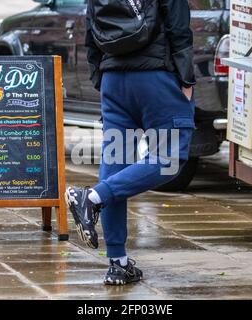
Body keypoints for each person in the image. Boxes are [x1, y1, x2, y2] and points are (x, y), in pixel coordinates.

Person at [66, 0, 196, 286]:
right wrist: (186, 79)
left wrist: (101, 79)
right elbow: (178, 30)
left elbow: (90, 33)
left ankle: (118, 264)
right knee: (169, 160)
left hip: (114, 81)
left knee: (115, 166)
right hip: (157, 81)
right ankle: (92, 198)